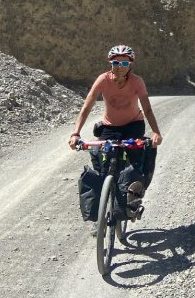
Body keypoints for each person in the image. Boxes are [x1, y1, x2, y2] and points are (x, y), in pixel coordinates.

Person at [69, 44, 163, 217]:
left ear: (131, 65)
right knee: (102, 167)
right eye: (116, 63)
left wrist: (156, 132)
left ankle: (132, 202)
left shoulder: (137, 82)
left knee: (135, 166)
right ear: (110, 63)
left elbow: (147, 109)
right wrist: (76, 133)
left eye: (125, 64)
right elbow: (86, 107)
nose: (120, 67)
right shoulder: (103, 80)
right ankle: (100, 214)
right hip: (109, 127)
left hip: (133, 125)